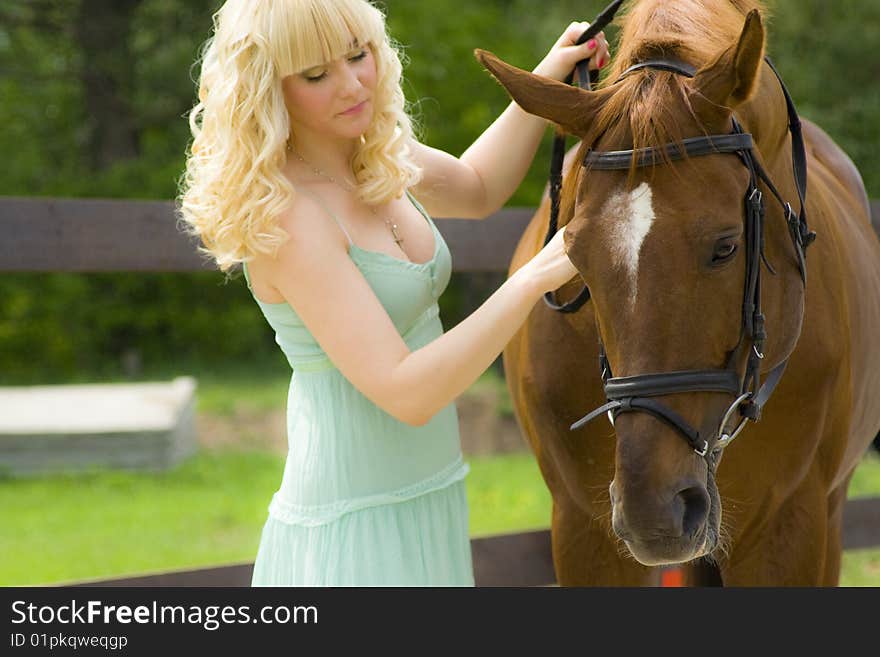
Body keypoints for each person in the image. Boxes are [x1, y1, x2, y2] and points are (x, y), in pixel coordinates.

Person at [177, 0, 609, 586]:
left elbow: (478, 188)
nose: (352, 83)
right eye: (315, 74)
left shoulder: (372, 151)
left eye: (358, 56)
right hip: (354, 527)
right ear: (266, 89)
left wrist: (544, 81)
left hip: (426, 495)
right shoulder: (287, 217)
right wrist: (533, 277)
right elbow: (406, 391)